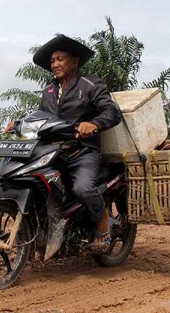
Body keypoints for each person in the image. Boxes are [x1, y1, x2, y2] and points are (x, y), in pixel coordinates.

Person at [33, 34, 121, 250]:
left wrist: (94, 124)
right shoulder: (49, 91)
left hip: (83, 152)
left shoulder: (91, 84)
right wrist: (18, 123)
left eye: (60, 59)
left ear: (75, 61)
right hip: (53, 152)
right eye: (53, 61)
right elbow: (39, 117)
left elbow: (112, 111)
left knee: (82, 188)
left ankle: (102, 220)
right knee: (35, 182)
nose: (55, 64)